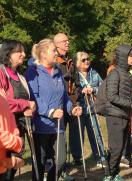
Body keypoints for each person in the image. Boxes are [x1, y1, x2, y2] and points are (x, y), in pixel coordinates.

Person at [25, 38, 82, 181]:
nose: (56, 53)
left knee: (60, 161)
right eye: (53, 50)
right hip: (40, 125)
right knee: (40, 164)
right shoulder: (33, 71)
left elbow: (63, 96)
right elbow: (34, 97)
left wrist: (71, 109)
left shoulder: (57, 71)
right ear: (43, 54)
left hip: (58, 125)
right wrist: (50, 112)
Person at [103, 44, 132, 181]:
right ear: (123, 57)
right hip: (114, 114)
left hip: (125, 114)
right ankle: (109, 175)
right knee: (116, 148)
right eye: (131, 56)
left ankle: (113, 173)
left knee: (120, 148)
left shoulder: (127, 73)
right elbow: (112, 96)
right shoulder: (114, 73)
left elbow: (130, 94)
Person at [0, 40, 36, 181]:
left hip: (19, 127)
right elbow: (4, 102)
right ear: (8, 54)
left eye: (23, 51)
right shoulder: (1, 73)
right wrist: (25, 104)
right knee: (5, 169)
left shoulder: (20, 76)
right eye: (19, 51)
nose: (23, 54)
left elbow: (29, 101)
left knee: (12, 169)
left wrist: (29, 108)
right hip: (5, 130)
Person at [70, 51, 105, 167]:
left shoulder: (94, 73)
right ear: (77, 62)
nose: (87, 61)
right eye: (83, 60)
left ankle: (100, 156)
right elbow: (70, 91)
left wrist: (93, 90)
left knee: (96, 133)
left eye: (88, 59)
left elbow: (103, 87)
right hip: (78, 108)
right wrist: (81, 91)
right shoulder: (73, 75)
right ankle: (77, 158)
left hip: (92, 108)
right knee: (77, 134)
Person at [54, 32, 75, 180]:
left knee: (66, 137)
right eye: (64, 41)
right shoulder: (53, 61)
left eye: (67, 41)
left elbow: (75, 81)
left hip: (70, 102)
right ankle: (56, 170)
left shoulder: (69, 60)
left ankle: (63, 169)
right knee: (58, 138)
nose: (67, 43)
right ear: (56, 44)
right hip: (57, 105)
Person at [0, 89, 24, 180]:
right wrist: (17, 142)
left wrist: (15, 152)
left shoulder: (2, 91)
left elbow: (11, 119)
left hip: (5, 164)